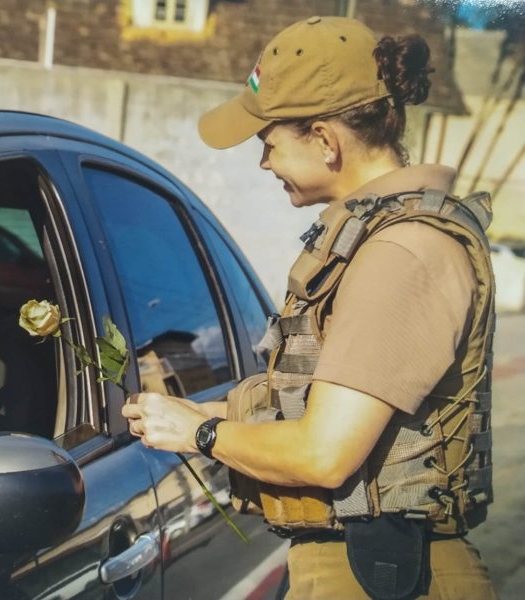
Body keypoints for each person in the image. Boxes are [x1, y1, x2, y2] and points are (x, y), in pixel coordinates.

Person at [123, 16, 496, 600]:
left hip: (382, 575)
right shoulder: (377, 240)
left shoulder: (401, 252)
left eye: (267, 143)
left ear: (325, 140)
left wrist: (199, 431)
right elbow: (315, 402)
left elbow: (323, 454)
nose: (263, 163)